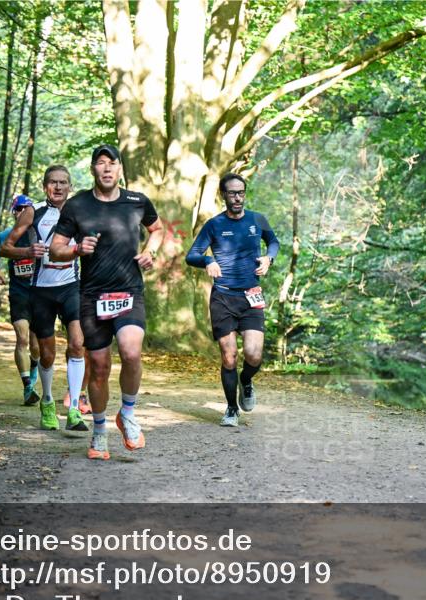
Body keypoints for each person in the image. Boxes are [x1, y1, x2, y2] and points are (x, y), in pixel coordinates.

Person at [49, 145, 164, 460]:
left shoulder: (137, 201)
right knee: (98, 367)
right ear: (93, 170)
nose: (107, 168)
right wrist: (75, 249)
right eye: (100, 163)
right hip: (92, 296)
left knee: (130, 351)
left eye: (112, 163)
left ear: (119, 169)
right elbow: (55, 249)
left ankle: (127, 412)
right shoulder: (76, 206)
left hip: (129, 292)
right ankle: (99, 430)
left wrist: (151, 250)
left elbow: (156, 229)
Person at [185, 173, 280, 427]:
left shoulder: (257, 219)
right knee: (229, 357)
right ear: (223, 195)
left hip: (251, 295)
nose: (237, 198)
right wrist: (208, 260)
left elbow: (273, 242)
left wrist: (268, 258)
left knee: (254, 355)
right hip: (223, 296)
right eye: (232, 193)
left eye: (241, 192)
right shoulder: (214, 225)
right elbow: (191, 254)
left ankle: (246, 381)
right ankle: (230, 409)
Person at [3, 166, 90, 433]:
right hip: (41, 290)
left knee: (77, 344)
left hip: (71, 286)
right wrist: (27, 250)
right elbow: (6, 248)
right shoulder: (33, 211)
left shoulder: (80, 210)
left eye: (63, 182)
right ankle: (48, 402)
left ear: (70, 186)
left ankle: (74, 408)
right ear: (45, 186)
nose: (58, 187)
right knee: (47, 354)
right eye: (53, 182)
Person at [0, 195, 41, 406]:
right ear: (14, 212)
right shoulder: (5, 235)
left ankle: (34, 373)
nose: (22, 212)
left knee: (37, 347)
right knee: (22, 339)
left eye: (26, 209)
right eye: (18, 209)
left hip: (40, 293)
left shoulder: (40, 234)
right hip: (19, 293)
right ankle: (27, 386)